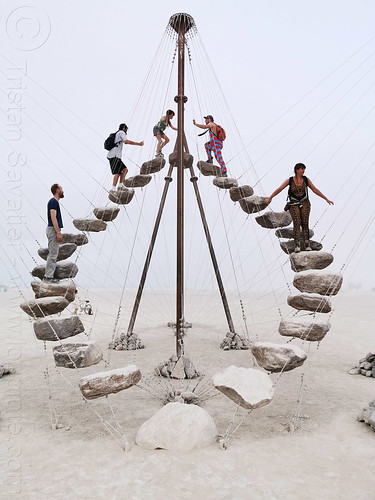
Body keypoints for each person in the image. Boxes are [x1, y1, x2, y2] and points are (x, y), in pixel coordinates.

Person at [265, 163, 334, 253]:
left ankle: (307, 244)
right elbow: (279, 189)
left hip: (304, 202)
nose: (303, 171)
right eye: (302, 169)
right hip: (293, 203)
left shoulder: (306, 179)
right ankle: (296, 244)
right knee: (297, 222)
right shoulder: (290, 180)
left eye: (304, 169)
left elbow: (315, 189)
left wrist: (326, 199)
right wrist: (270, 198)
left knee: (305, 222)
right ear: (297, 170)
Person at [107, 123, 144, 189]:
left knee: (125, 170)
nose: (126, 131)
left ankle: (120, 186)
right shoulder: (121, 132)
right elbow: (127, 141)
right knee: (117, 172)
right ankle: (113, 189)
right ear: (124, 128)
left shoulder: (118, 134)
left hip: (116, 156)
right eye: (126, 130)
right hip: (114, 156)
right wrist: (139, 144)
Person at [44, 184, 64, 283]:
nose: (62, 190)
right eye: (61, 189)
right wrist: (58, 232)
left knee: (53, 253)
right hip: (53, 229)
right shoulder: (53, 202)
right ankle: (48, 277)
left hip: (52, 229)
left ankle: (49, 276)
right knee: (53, 253)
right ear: (57, 190)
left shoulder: (55, 202)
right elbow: (53, 217)